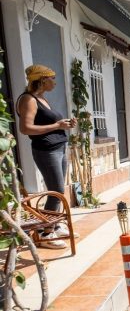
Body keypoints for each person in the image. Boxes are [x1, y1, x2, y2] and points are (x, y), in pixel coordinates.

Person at [17, 64, 76, 249]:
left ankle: (55, 225)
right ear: (42, 80)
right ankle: (45, 233)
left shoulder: (41, 98)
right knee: (55, 190)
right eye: (52, 78)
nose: (55, 82)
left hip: (58, 148)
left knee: (59, 190)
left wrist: (65, 124)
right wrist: (57, 126)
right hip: (46, 151)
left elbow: (51, 123)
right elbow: (26, 129)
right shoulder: (29, 99)